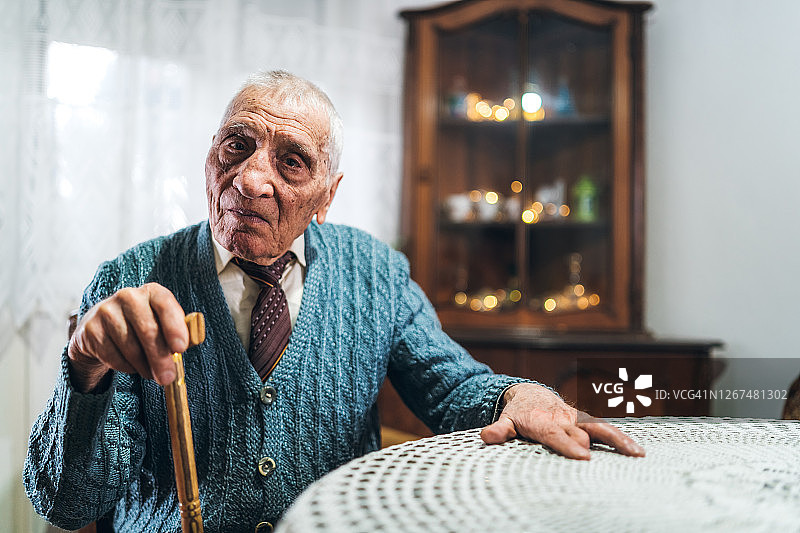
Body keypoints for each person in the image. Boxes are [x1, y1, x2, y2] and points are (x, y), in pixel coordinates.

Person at [24, 70, 644, 532]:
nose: (251, 179)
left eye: (292, 162)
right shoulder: (130, 280)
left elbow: (450, 385)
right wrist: (85, 369)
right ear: (210, 154)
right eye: (236, 146)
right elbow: (66, 502)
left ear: (328, 194)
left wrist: (517, 396)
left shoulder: (374, 271)